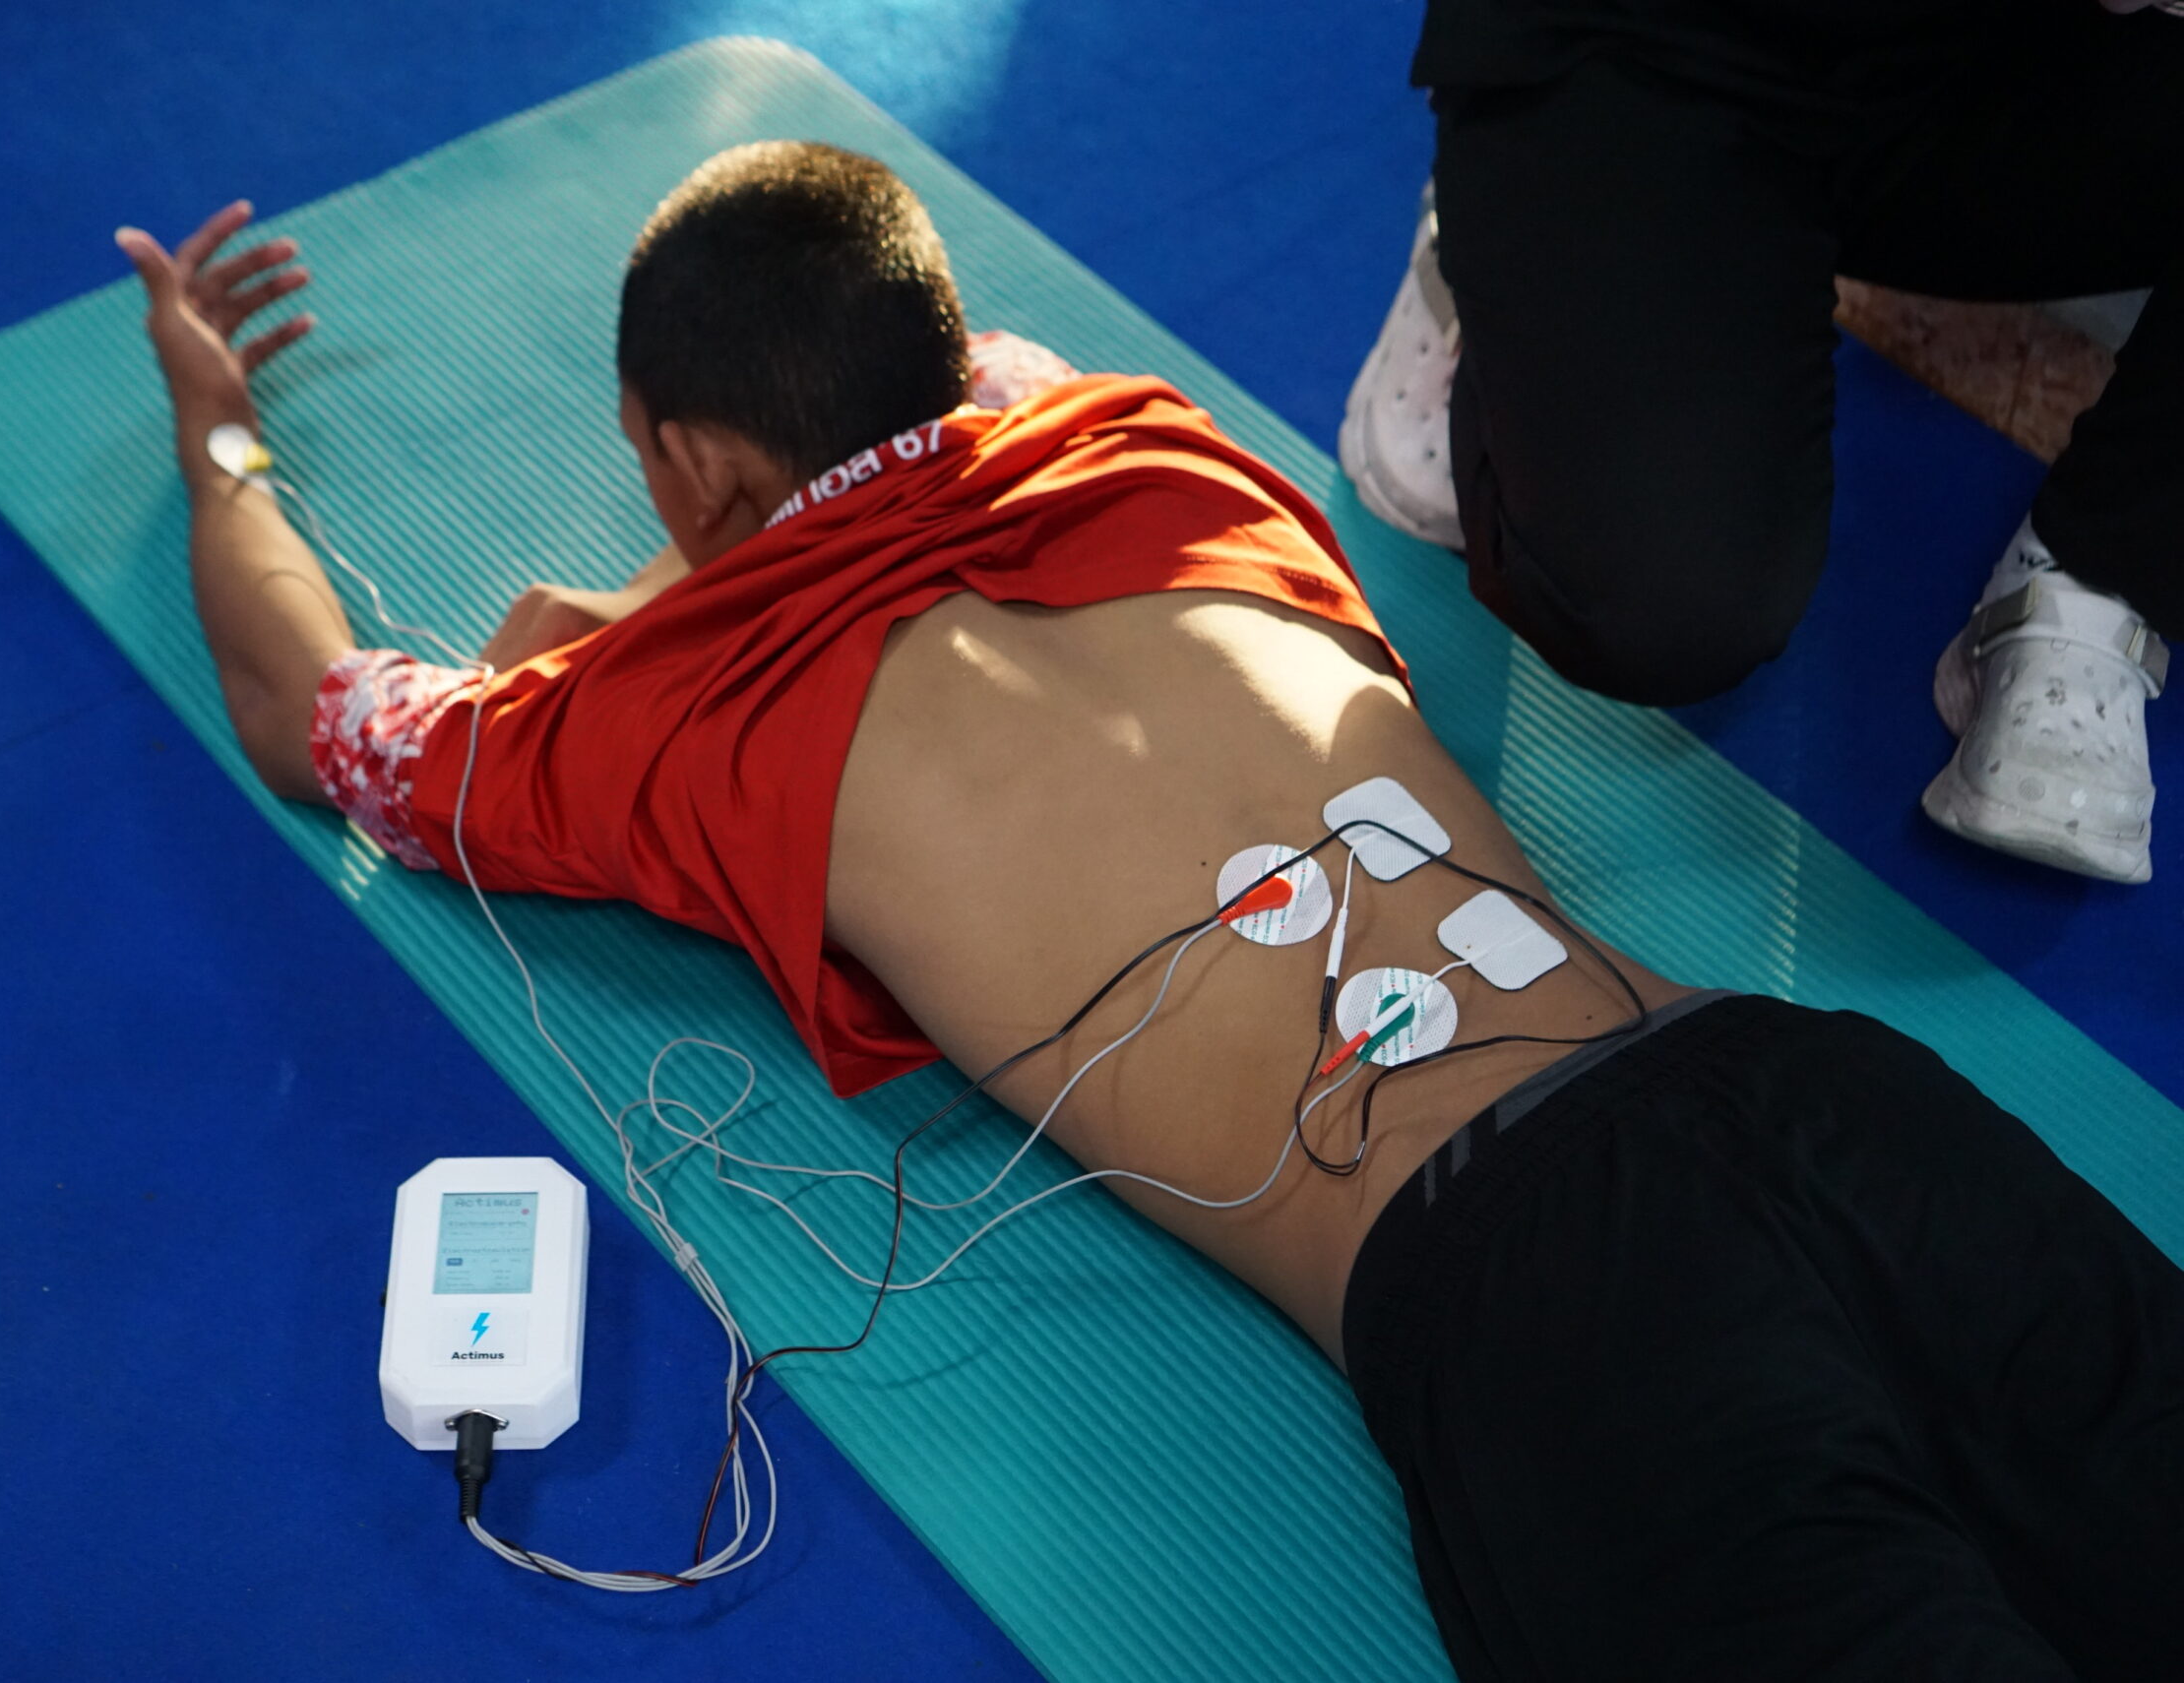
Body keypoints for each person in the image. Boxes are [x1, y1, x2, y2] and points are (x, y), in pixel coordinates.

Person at [118, 142, 2184, 1679]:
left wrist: (218, 435)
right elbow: (957, 403)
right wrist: (686, 570)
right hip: (1802, 1091)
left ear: (686, 463)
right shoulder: (1140, 448)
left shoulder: (680, 726)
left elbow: (311, 709)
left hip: (1540, 1287)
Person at [1339, 0, 2177, 884]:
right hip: (1672, 40)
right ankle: (1493, 255)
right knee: (1662, 608)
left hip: (2011, 61)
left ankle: (2094, 572)